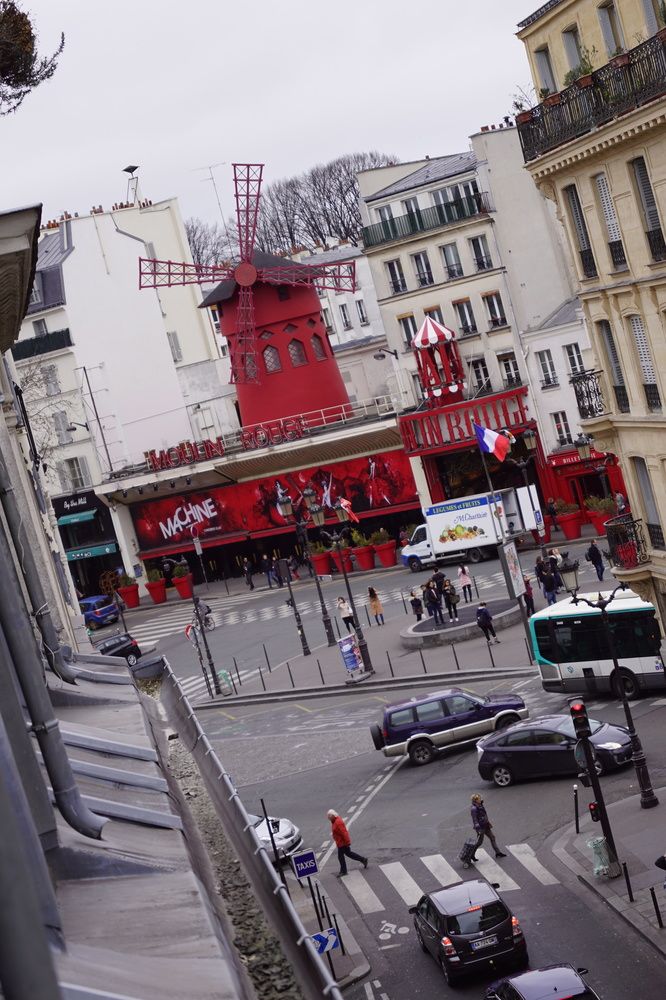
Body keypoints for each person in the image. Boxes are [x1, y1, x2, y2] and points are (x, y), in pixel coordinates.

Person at [327, 809, 368, 877]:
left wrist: (347, 842)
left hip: (342, 843)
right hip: (340, 842)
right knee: (349, 854)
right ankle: (363, 859)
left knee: (340, 857)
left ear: (333, 816)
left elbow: (344, 833)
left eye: (329, 817)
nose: (328, 818)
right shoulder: (334, 821)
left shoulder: (338, 822)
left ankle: (344, 871)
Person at [470, 794, 506, 860]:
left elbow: (484, 814)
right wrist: (478, 829)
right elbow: (474, 819)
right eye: (479, 799)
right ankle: (471, 854)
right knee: (479, 842)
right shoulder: (474, 809)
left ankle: (498, 852)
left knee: (492, 837)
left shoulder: (480, 805)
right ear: (476, 800)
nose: (480, 799)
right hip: (481, 827)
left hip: (485, 825)